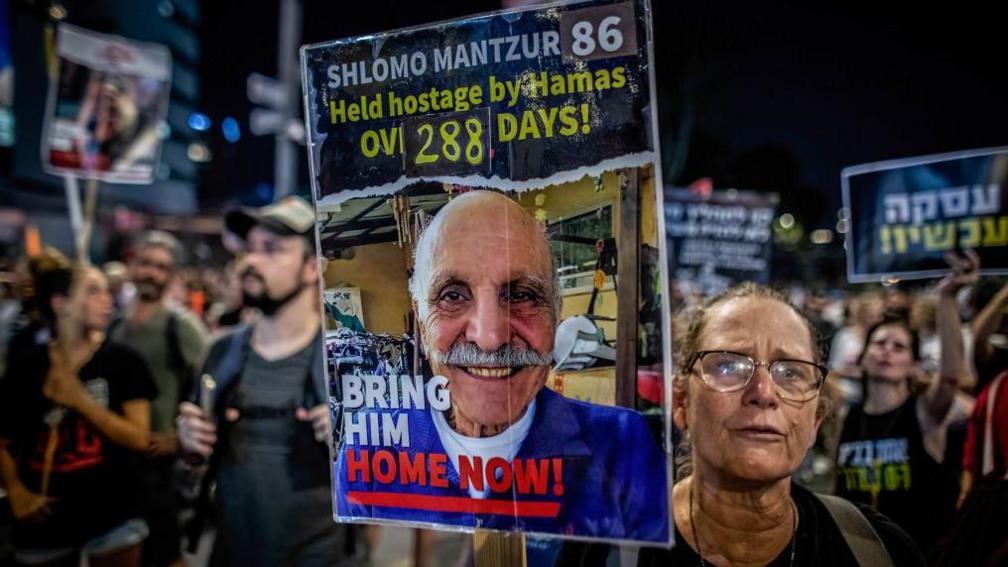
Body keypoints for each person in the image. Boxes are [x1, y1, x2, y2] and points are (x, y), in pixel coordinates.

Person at [333, 190, 668, 542]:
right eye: (452, 295)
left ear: (556, 312)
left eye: (521, 294)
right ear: (419, 315)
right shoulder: (367, 452)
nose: (490, 337)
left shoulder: (624, 446)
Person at [637, 283, 923, 566]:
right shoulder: (614, 548)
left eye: (790, 372)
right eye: (728, 366)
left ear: (815, 421)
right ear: (680, 402)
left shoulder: (880, 550)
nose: (763, 393)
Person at [176, 196, 366, 566]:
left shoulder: (348, 361)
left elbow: (384, 488)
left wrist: (355, 443)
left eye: (272, 250)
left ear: (312, 268)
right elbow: (192, 473)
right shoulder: (220, 353)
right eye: (250, 249)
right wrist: (188, 450)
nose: (252, 261)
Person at [0, 264, 156, 567]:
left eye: (106, 290)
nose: (107, 299)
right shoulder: (27, 367)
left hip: (113, 515)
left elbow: (139, 439)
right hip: (44, 520)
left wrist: (79, 400)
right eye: (93, 291)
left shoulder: (123, 361)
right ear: (60, 303)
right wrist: (17, 493)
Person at [833, 251, 977, 552]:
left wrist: (947, 298)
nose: (887, 350)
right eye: (879, 343)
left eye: (899, 347)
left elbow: (950, 375)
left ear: (913, 364)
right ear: (863, 356)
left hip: (917, 555)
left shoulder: (924, 411)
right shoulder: (848, 417)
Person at [107, 231, 208, 567]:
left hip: (158, 463)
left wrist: (179, 438)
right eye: (146, 264)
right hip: (117, 457)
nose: (151, 273)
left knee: (164, 554)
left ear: (172, 275)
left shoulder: (180, 324)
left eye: (161, 267)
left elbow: (212, 383)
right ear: (133, 266)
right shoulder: (116, 323)